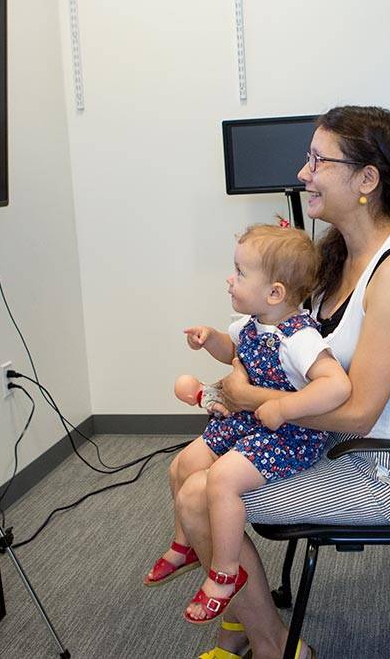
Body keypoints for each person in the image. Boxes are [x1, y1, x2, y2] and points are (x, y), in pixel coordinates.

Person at [174, 106, 390, 659]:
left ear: (366, 180)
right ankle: (243, 628)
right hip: (332, 441)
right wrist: (234, 385)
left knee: (203, 496)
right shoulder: (336, 256)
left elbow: (357, 414)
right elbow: (283, 350)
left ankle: (273, 646)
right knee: (190, 467)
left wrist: (249, 398)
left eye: (318, 160)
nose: (303, 173)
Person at [144, 224, 351, 628]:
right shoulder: (252, 322)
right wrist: (210, 339)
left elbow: (337, 386)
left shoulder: (301, 338)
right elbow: (231, 350)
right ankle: (185, 544)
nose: (229, 279)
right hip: (251, 421)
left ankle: (224, 574)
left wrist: (287, 407)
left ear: (275, 292)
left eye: (239, 273)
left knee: (221, 479)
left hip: (289, 434)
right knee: (184, 464)